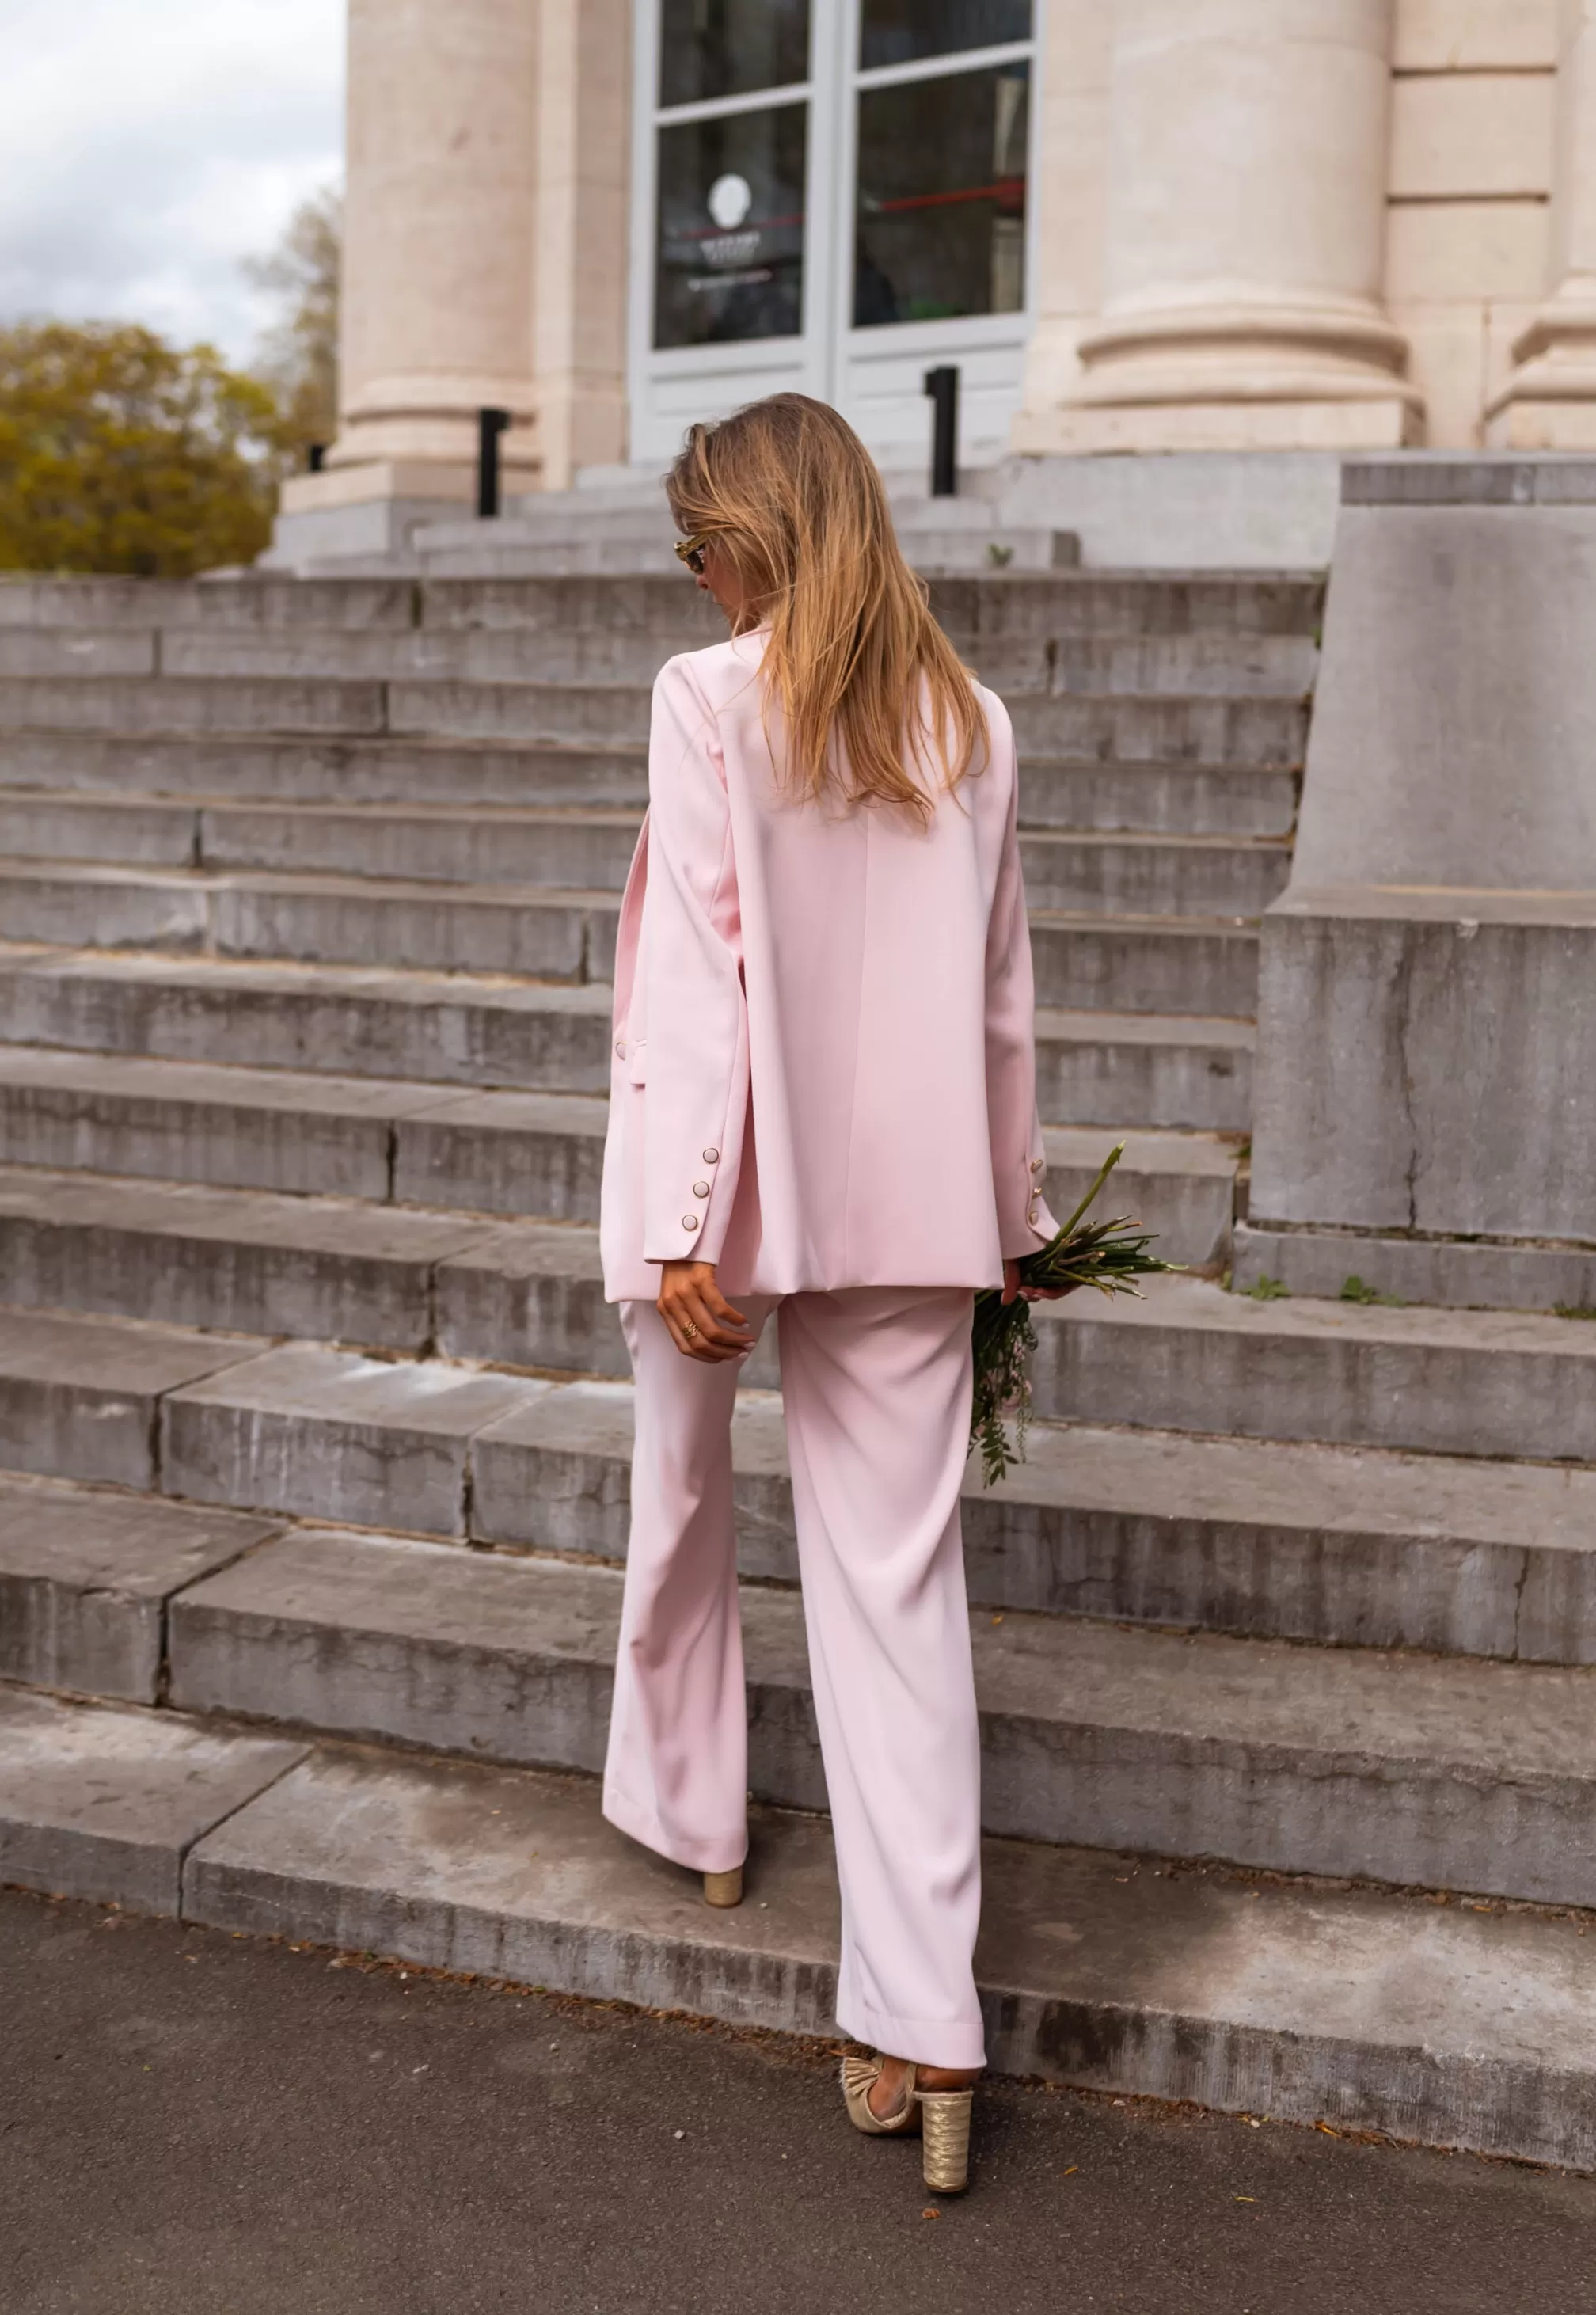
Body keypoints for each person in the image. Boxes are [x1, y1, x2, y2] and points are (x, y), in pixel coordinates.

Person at [598, 393, 1058, 2197]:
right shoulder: (972, 717)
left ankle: (699, 1812)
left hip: (725, 1193)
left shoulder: (711, 696)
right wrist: (1012, 1213)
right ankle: (928, 2022)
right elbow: (1004, 996)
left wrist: (680, 1219)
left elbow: (696, 968)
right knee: (899, 1598)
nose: (695, 579)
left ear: (752, 538)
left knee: (680, 1495)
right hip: (918, 1210)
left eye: (698, 545)